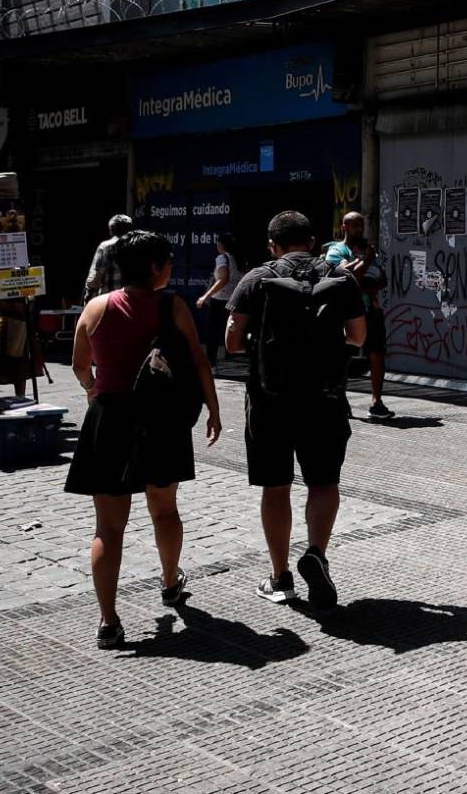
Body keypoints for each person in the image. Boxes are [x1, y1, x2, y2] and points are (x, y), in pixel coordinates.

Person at [65, 230, 223, 649]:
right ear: (155, 267)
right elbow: (199, 359)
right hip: (161, 421)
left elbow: (80, 365)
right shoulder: (172, 306)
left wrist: (92, 387)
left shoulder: (95, 308)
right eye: (168, 260)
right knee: (165, 510)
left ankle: (108, 621)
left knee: (108, 527)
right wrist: (214, 408)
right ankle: (170, 581)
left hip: (110, 419)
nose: (170, 266)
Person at [227, 211, 367, 610]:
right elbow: (358, 337)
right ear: (313, 239)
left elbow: (232, 341)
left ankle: (280, 576)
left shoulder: (257, 279)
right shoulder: (341, 277)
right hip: (325, 400)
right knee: (323, 483)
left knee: (276, 487)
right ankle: (316, 553)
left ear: (273, 245)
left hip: (269, 401)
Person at [325, 213, 391, 419]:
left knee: (377, 353)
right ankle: (339, 399)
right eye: (355, 225)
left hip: (371, 311)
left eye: (361, 225)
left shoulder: (368, 250)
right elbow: (346, 278)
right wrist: (366, 263)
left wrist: (363, 284)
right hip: (345, 312)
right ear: (344, 226)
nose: (359, 229)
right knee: (342, 355)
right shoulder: (336, 250)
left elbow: (382, 280)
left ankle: (377, 402)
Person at [0, 280, 43, 401]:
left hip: (17, 329)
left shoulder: (17, 278)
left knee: (18, 367)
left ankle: (20, 398)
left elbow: (27, 306)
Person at [195, 232, 244, 367]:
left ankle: (210, 362)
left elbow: (223, 278)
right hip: (234, 300)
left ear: (221, 244)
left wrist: (205, 296)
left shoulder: (222, 258)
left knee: (213, 332)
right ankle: (233, 359)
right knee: (231, 329)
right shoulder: (237, 258)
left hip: (220, 300)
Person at [84, 214, 134, 303]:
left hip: (110, 303)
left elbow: (95, 280)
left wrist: (88, 301)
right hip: (132, 303)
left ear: (111, 231)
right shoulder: (137, 246)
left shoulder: (106, 247)